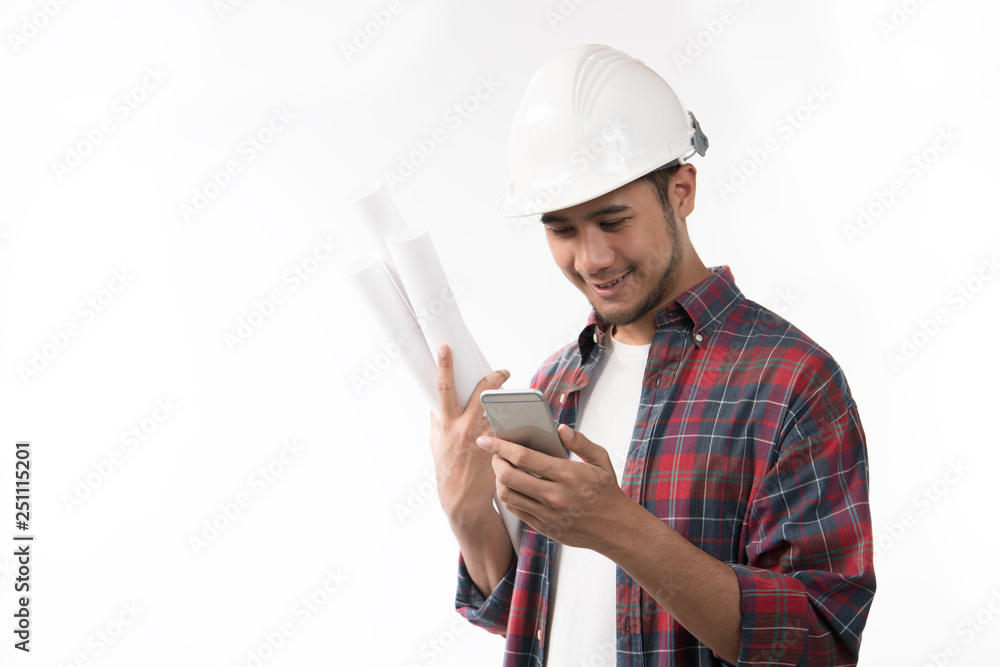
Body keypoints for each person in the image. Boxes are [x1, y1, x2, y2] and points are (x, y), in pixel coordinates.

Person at [429, 44, 875, 667]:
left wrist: (616, 525)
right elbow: (529, 614)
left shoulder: (791, 383)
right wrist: (468, 507)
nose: (591, 259)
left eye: (613, 220)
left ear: (682, 190)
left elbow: (819, 646)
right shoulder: (556, 383)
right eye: (561, 229)